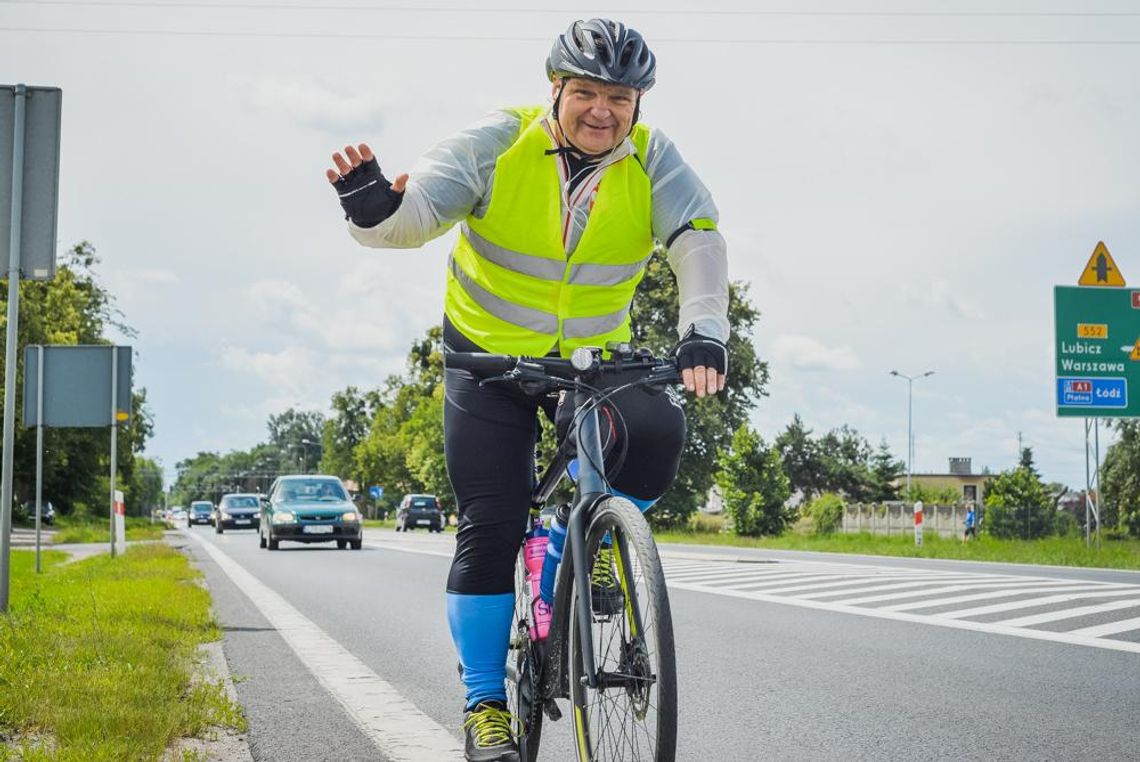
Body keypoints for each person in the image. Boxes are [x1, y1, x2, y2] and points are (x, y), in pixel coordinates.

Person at [327, 18, 729, 762]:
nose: (602, 111)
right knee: (491, 524)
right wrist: (374, 210)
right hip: (486, 360)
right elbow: (419, 214)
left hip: (593, 358)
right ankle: (485, 706)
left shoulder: (654, 159)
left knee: (659, 429)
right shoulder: (497, 140)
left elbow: (697, 236)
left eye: (620, 96)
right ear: (556, 90)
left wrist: (704, 330)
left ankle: (594, 545)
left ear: (639, 103)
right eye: (585, 93)